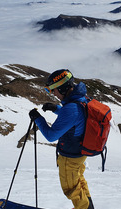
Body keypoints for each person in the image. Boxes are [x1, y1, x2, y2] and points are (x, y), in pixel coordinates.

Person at [29, 69, 95, 209]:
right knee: (79, 182)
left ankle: (82, 207)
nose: (52, 93)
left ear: (63, 89)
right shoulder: (82, 99)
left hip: (69, 158)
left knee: (71, 189)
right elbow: (76, 118)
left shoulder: (71, 109)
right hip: (80, 154)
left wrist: (38, 119)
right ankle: (86, 207)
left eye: (53, 90)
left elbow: (51, 136)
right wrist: (57, 109)